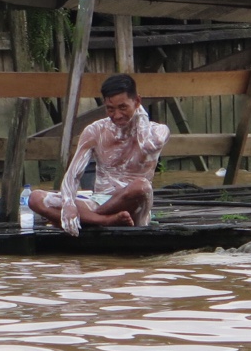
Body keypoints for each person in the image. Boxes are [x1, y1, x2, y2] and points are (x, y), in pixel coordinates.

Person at [29, 72, 169, 236]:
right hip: (99, 201)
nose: (117, 115)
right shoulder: (95, 131)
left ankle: (89, 218)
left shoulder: (158, 131)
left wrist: (141, 115)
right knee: (35, 198)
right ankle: (104, 221)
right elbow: (73, 175)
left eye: (123, 107)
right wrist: (68, 205)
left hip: (133, 206)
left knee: (141, 186)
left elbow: (147, 145)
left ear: (137, 101)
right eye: (110, 109)